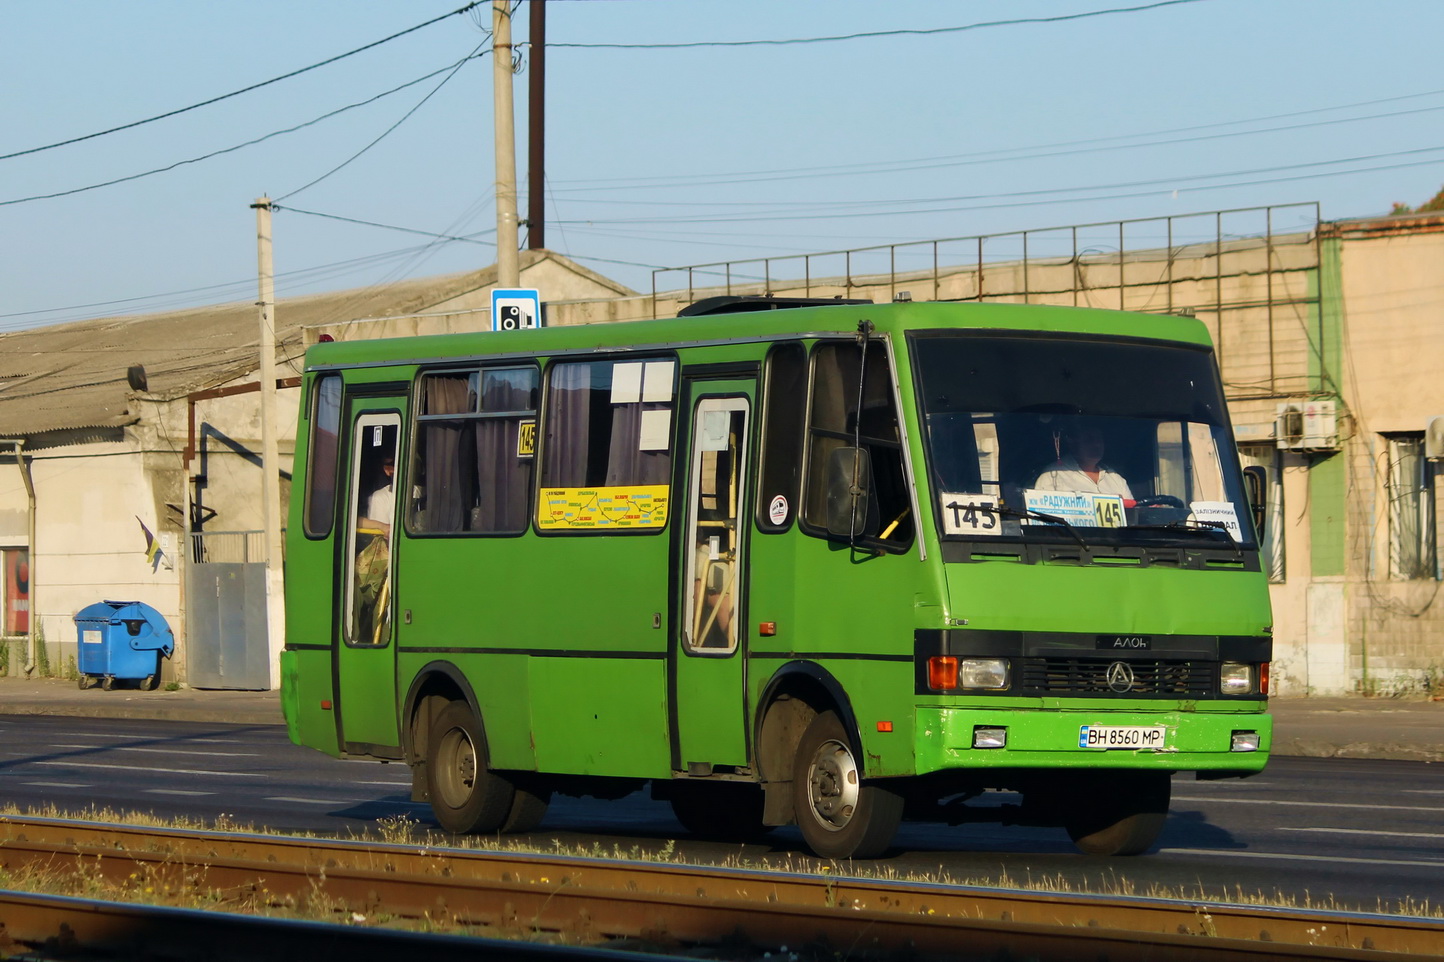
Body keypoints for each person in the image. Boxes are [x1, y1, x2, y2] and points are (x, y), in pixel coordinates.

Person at [1032, 424, 1135, 504]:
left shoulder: (1116, 479)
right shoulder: (1053, 475)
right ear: (1073, 444)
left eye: (1099, 439)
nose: (1097, 444)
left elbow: (1131, 516)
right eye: (1089, 439)